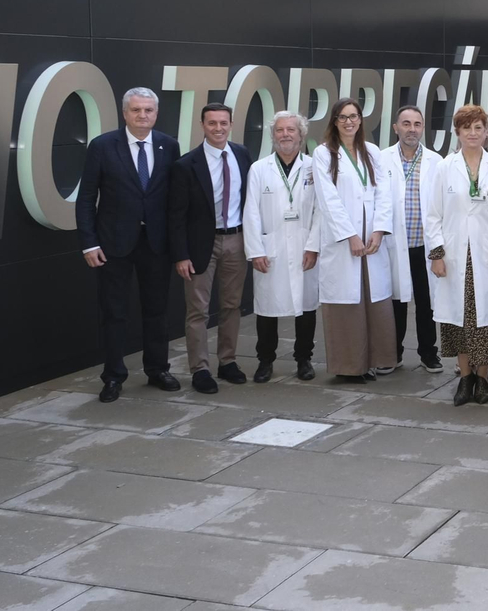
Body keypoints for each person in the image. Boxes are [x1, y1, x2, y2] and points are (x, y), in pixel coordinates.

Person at [77, 87, 182, 402]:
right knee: (114, 313)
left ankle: (157, 369)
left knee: (157, 310)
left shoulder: (168, 145)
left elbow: (174, 200)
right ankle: (113, 377)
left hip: (155, 244)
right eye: (136, 110)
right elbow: (85, 199)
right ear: (125, 113)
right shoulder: (103, 146)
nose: (143, 115)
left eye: (148, 110)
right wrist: (88, 243)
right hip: (113, 245)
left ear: (156, 113)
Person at [425, 104, 488, 406]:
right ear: (458, 132)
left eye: (479, 127)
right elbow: (433, 215)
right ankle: (464, 378)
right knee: (458, 321)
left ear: (486, 131)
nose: (473, 133)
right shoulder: (444, 167)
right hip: (454, 257)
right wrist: (437, 254)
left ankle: (483, 376)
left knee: (485, 321)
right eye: (467, 128)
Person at [167, 102, 253, 394]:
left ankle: (227, 362)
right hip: (199, 246)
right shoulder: (185, 165)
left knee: (231, 305)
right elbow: (175, 215)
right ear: (202, 126)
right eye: (212, 123)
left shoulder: (242, 155)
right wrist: (180, 254)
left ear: (231, 124)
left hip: (236, 240)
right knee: (198, 311)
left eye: (223, 123)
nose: (218, 128)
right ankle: (200, 369)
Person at [311, 98, 396, 382]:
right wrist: (349, 235)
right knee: (346, 304)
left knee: (374, 302)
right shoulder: (324, 154)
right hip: (344, 240)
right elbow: (328, 199)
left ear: (361, 120)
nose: (349, 122)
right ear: (334, 121)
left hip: (371, 240)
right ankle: (349, 367)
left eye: (354, 116)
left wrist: (379, 230)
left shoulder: (371, 151)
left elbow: (384, 193)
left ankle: (373, 361)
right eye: (343, 117)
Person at [244, 111, 322, 383]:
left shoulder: (314, 167)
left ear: (301, 135)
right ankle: (265, 361)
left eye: (291, 130)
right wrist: (255, 250)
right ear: (272, 135)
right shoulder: (259, 168)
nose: (285, 134)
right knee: (267, 308)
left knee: (307, 307)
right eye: (280, 130)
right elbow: (251, 212)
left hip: (304, 247)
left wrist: (313, 247)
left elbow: (320, 212)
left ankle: (304, 358)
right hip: (270, 247)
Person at [385, 105, 442, 374]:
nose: (412, 129)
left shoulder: (436, 162)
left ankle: (428, 353)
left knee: (426, 301)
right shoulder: (382, 160)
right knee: (395, 301)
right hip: (393, 245)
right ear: (396, 127)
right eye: (406, 124)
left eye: (417, 124)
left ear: (422, 128)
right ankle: (392, 353)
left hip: (424, 244)